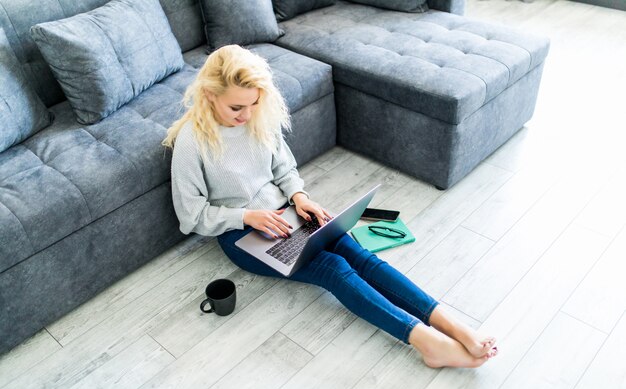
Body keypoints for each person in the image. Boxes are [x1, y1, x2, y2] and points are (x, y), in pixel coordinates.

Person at [163, 45, 498, 368]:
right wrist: (247, 215)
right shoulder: (192, 141)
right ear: (209, 94)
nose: (246, 115)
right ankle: (427, 342)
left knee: (359, 257)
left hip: (289, 213)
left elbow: (284, 169)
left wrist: (299, 197)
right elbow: (191, 216)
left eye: (252, 104)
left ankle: (454, 327)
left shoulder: (256, 119)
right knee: (333, 269)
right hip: (242, 234)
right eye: (236, 108)